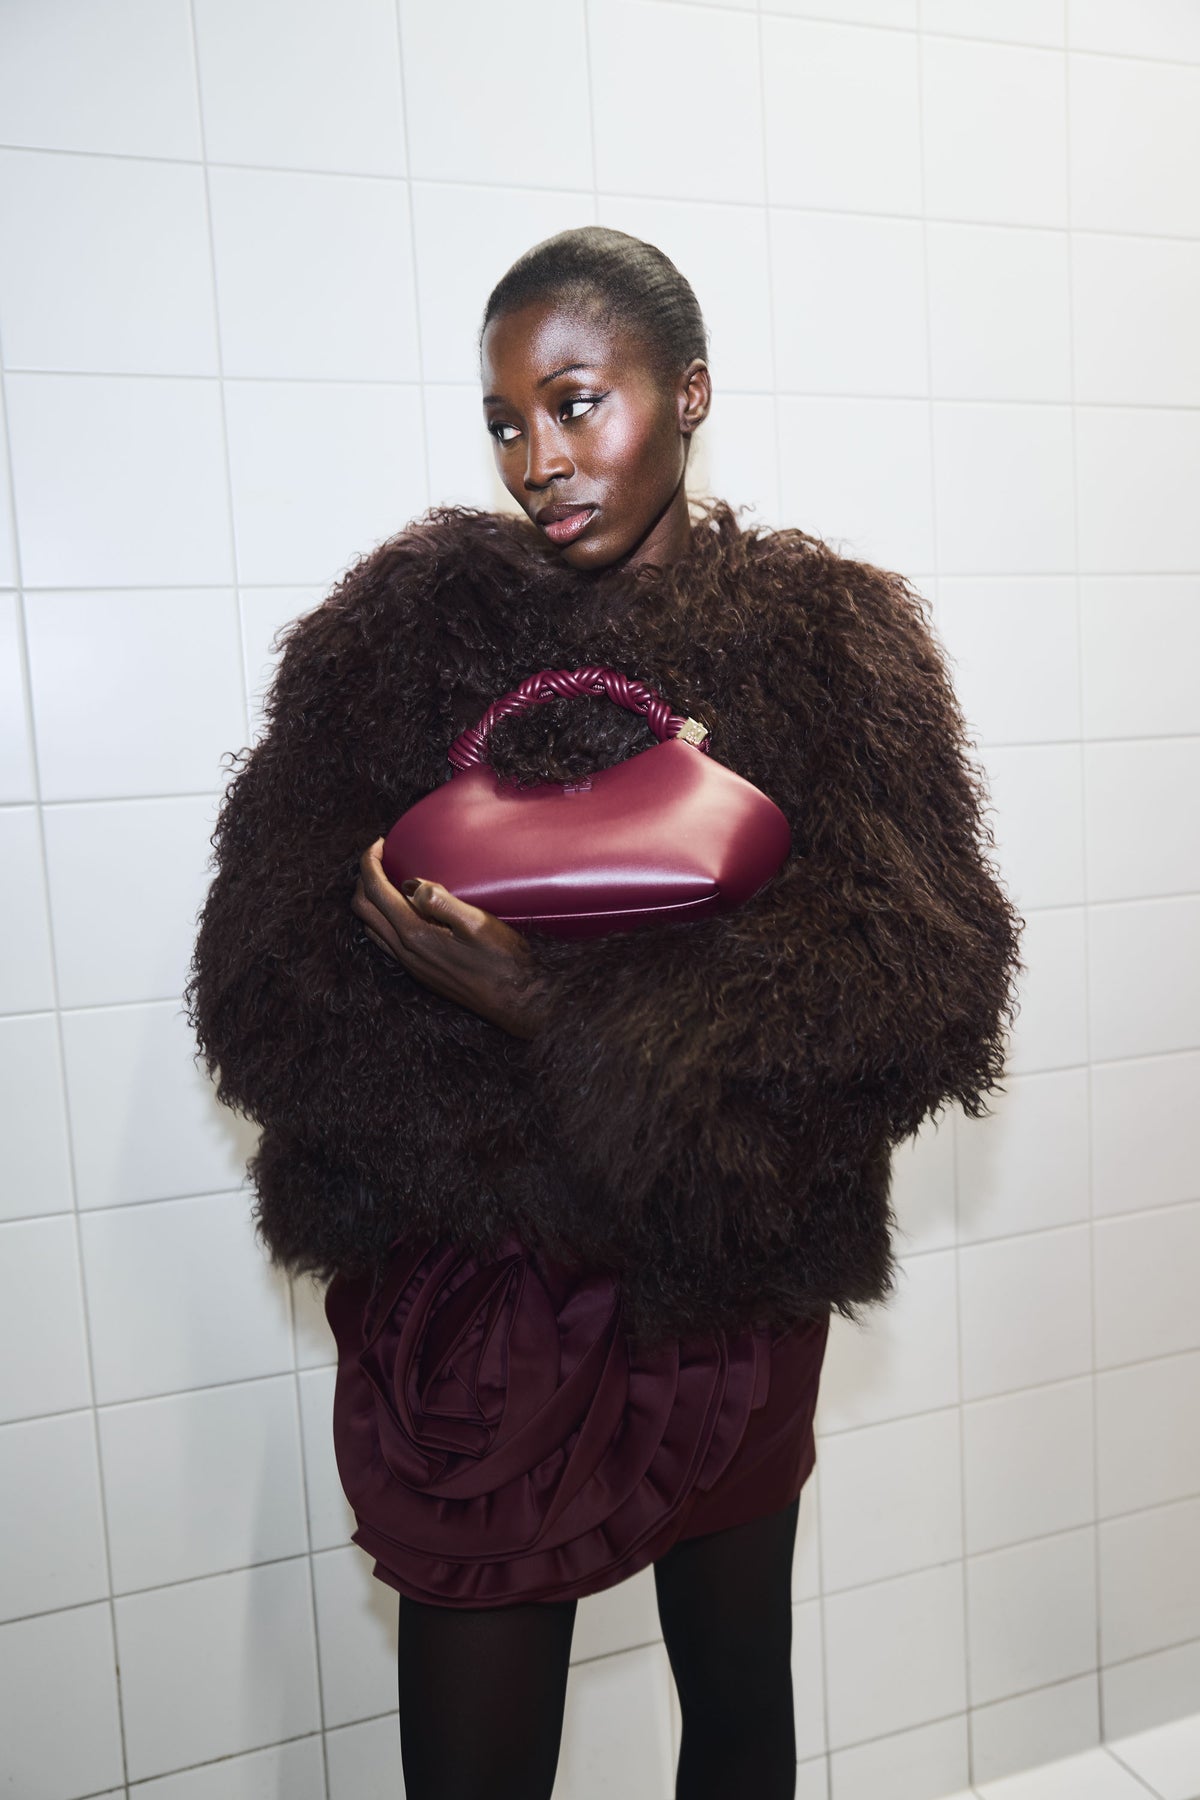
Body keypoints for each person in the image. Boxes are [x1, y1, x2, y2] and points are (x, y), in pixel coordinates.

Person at [187, 226, 1023, 1799]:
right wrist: (496, 1067)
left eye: (577, 403)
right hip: (482, 1298)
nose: (540, 460)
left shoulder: (827, 646)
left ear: (688, 391)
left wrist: (565, 1016)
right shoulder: (400, 641)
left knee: (737, 1703)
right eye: (507, 422)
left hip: (723, 1273)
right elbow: (264, 978)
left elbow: (920, 977)